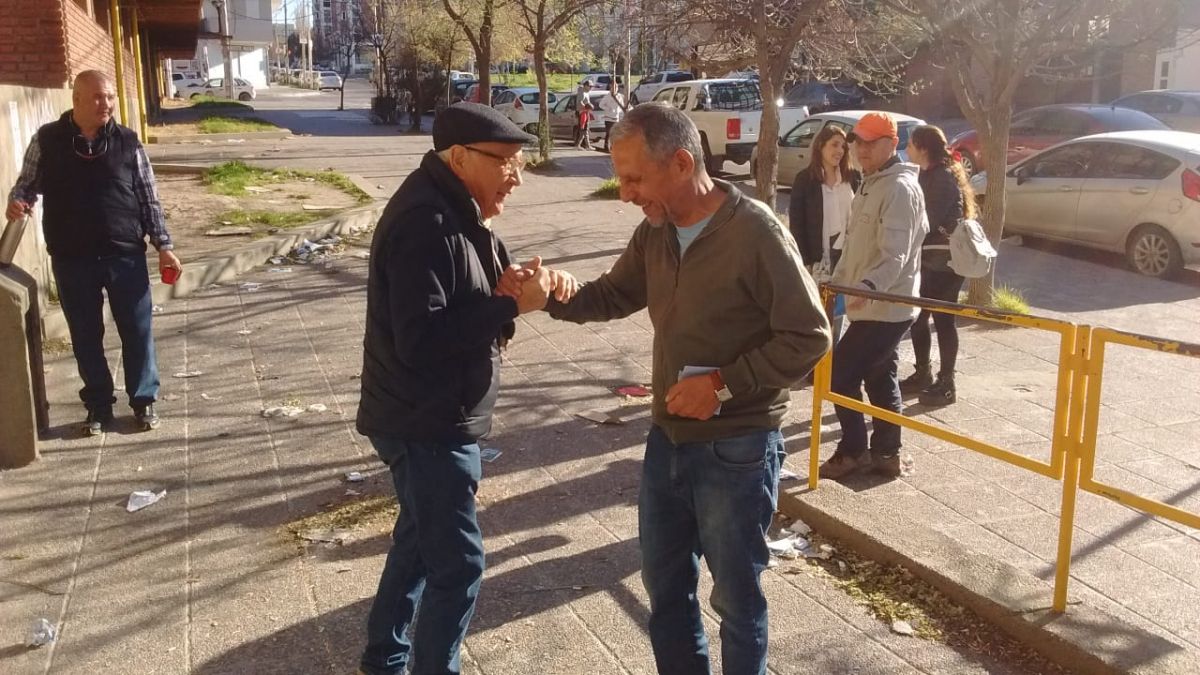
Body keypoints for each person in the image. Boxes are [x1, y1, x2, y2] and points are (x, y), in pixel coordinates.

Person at [502, 102, 831, 675]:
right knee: (666, 591)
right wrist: (553, 290)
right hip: (667, 442)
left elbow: (810, 336)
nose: (625, 193)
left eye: (634, 179)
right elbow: (610, 296)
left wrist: (723, 385)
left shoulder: (755, 232)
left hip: (738, 449)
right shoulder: (655, 231)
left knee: (736, 599)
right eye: (620, 180)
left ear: (681, 163)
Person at [355, 102, 575, 675]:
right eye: (505, 161)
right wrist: (507, 304)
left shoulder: (463, 210)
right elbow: (420, 341)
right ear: (459, 158)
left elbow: (475, 303)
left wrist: (510, 292)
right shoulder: (423, 222)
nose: (517, 174)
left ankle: (384, 657)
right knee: (458, 565)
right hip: (424, 421)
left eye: (519, 160)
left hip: (436, 413)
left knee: (417, 544)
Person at [6, 70, 181, 436]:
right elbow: (26, 185)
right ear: (77, 100)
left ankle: (144, 401)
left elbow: (149, 199)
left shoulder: (128, 142)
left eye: (111, 97)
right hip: (72, 258)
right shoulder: (48, 141)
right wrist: (17, 202)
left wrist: (164, 246)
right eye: (99, 97)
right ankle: (99, 407)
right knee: (86, 335)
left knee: (137, 331)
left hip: (125, 255)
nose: (107, 104)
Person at [818, 111, 928, 481]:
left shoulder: (898, 188)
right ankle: (886, 452)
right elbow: (854, 248)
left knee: (838, 376)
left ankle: (854, 451)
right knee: (881, 377)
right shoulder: (872, 183)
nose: (860, 149)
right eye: (857, 141)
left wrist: (866, 288)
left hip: (887, 307)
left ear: (891, 144)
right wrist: (836, 285)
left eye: (869, 142)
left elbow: (894, 254)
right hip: (867, 303)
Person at [898, 125, 976, 406]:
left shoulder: (941, 178)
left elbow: (927, 220)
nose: (907, 150)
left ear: (923, 148)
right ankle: (923, 374)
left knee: (942, 320)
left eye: (910, 145)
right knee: (919, 319)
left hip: (943, 262)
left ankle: (946, 382)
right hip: (930, 259)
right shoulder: (931, 174)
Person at [788, 125, 862, 342]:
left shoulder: (852, 177)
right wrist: (805, 260)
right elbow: (797, 224)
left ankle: (832, 364)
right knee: (817, 312)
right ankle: (816, 366)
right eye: (834, 145)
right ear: (821, 146)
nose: (839, 150)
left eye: (842, 146)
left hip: (847, 252)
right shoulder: (805, 179)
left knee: (838, 311)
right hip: (818, 255)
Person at [600, 78, 626, 152]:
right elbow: (601, 104)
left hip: (616, 117)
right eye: (613, 87)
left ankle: (613, 147)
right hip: (608, 117)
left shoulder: (620, 96)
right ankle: (606, 147)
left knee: (615, 133)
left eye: (616, 87)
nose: (614, 89)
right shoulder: (607, 96)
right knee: (609, 132)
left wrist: (619, 111)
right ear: (610, 88)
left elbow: (622, 105)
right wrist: (608, 108)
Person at [574, 79, 595, 149]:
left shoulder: (586, 92)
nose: (591, 88)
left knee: (584, 130)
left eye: (591, 86)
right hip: (582, 112)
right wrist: (586, 107)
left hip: (585, 112)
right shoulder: (582, 92)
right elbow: (580, 102)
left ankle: (580, 145)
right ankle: (585, 145)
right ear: (585, 86)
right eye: (590, 86)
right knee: (584, 129)